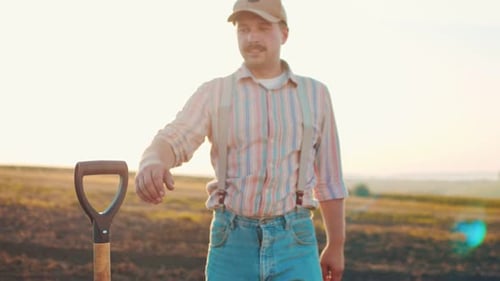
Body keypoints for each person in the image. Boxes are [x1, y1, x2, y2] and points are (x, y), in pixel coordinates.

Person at [135, 0, 348, 280]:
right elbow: (174, 137)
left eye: (263, 28)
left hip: (295, 242)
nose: (252, 38)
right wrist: (153, 160)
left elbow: (329, 179)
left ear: (284, 33)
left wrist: (335, 245)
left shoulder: (316, 94)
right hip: (231, 241)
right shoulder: (215, 93)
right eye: (244, 29)